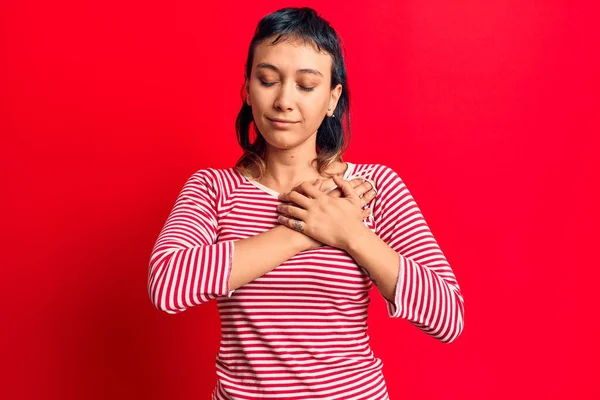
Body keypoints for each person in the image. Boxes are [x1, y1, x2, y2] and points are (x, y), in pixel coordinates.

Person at [148, 7, 465, 399]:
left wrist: (351, 234)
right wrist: (302, 232)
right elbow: (167, 284)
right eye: (267, 80)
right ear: (247, 88)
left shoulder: (372, 188)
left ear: (332, 98)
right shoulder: (213, 189)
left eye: (306, 85)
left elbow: (448, 315)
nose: (284, 100)